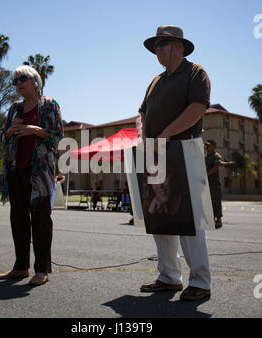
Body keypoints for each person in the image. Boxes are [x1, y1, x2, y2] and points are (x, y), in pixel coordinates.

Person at [137, 25, 211, 301]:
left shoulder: (195, 73)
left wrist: (164, 135)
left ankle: (201, 282)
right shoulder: (155, 81)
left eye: (162, 44)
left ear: (178, 47)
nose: (157, 49)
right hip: (156, 153)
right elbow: (142, 112)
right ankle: (169, 277)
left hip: (184, 150)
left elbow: (197, 108)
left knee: (190, 219)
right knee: (161, 216)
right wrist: (144, 137)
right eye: (156, 45)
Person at [0, 65, 63, 286]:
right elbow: (2, 137)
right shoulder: (15, 108)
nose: (17, 84)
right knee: (18, 218)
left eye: (22, 79)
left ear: (35, 81)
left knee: (41, 220)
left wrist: (34, 130)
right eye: (14, 81)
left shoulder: (49, 105)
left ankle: (41, 269)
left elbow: (57, 136)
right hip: (16, 169)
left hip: (40, 172)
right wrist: (9, 131)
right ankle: (20, 267)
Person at [205, 140, 235, 229]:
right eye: (206, 146)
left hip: (214, 184)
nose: (206, 147)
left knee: (216, 201)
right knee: (209, 202)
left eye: (208, 146)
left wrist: (206, 175)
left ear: (213, 146)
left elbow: (216, 166)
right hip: (207, 184)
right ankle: (212, 219)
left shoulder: (216, 155)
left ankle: (218, 220)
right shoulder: (206, 157)